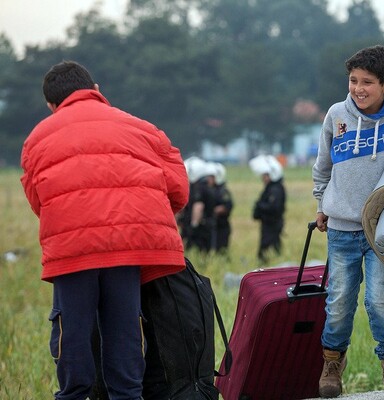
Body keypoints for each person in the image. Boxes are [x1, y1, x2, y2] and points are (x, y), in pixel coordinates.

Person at [20, 61, 189, 400]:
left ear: (52, 105)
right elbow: (179, 188)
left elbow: (38, 199)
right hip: (128, 248)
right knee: (125, 328)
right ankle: (127, 395)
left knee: (74, 331)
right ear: (96, 90)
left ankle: (73, 394)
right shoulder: (142, 128)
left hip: (73, 250)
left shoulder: (37, 137)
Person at [312, 45, 384, 399]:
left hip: (382, 229)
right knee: (340, 299)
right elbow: (323, 167)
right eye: (353, 81)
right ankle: (332, 365)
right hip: (342, 228)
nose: (358, 89)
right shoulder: (336, 116)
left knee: (379, 301)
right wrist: (320, 204)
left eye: (368, 83)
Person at [250, 155, 286, 264]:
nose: (263, 178)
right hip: (268, 224)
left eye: (265, 175)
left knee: (269, 248)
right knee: (269, 248)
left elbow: (274, 207)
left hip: (272, 224)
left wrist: (260, 206)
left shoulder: (275, 189)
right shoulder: (271, 188)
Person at [180, 157, 217, 253]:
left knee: (193, 254)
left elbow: (198, 207)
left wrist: (194, 226)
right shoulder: (207, 187)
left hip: (199, 229)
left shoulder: (197, 188)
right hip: (208, 226)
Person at [212, 162, 234, 254]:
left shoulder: (223, 191)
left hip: (222, 226)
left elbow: (227, 206)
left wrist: (212, 211)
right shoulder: (212, 189)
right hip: (214, 226)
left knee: (221, 250)